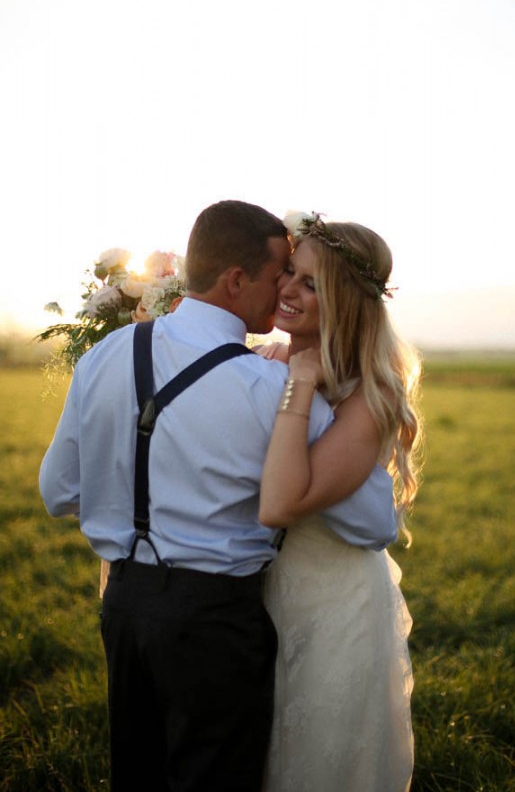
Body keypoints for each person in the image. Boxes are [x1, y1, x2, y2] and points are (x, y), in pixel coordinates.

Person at [39, 200, 399, 792]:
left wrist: (143, 502)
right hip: (215, 620)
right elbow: (370, 519)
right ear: (237, 280)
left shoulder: (106, 356)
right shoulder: (272, 388)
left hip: (124, 609)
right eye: (281, 271)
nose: (284, 287)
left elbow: (59, 492)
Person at [257, 212, 421, 792]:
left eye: (310, 284)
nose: (287, 291)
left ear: (346, 302)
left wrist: (302, 385)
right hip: (266, 594)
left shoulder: (368, 393)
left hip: (334, 605)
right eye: (288, 274)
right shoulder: (264, 359)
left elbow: (291, 497)